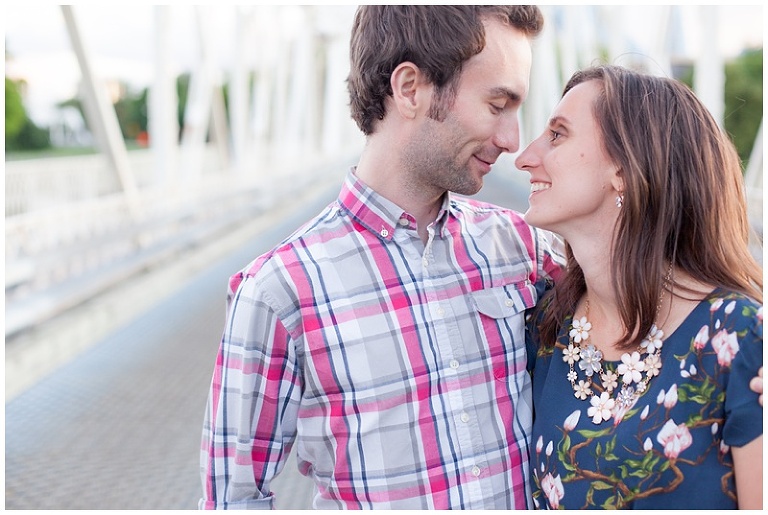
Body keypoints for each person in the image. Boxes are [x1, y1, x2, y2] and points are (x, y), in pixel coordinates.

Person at [198, 6, 564, 509]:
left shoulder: (523, 248)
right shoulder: (278, 292)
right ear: (410, 88)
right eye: (497, 104)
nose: (512, 139)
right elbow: (232, 499)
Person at [516, 64, 763, 509]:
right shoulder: (544, 326)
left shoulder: (740, 337)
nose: (524, 156)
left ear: (625, 170)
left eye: (557, 135)